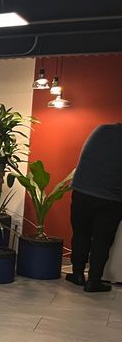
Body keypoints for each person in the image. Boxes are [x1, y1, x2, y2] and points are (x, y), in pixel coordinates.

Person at [67, 123, 122, 293]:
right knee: (102, 241)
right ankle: (93, 281)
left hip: (82, 192)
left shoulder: (102, 129)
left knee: (80, 234)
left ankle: (77, 274)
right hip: (110, 199)